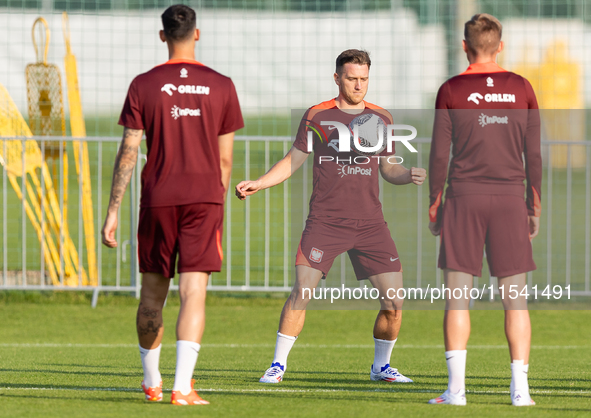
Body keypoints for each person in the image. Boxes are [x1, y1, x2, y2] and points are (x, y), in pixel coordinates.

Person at [236, 49, 426, 384]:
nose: (358, 85)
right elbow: (292, 161)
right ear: (337, 77)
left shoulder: (382, 118)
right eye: (352, 78)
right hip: (325, 222)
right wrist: (259, 183)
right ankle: (277, 365)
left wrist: (406, 173)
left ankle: (381, 367)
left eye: (364, 79)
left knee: (395, 303)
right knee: (302, 292)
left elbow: (388, 168)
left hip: (370, 224)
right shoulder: (318, 115)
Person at [101, 4, 243, 405]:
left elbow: (128, 150)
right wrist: (215, 200)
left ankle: (152, 382)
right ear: (197, 34)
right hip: (204, 199)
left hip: (158, 199)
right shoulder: (221, 85)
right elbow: (226, 160)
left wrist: (113, 210)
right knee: (193, 291)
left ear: (162, 36)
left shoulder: (143, 84)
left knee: (151, 293)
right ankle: (183, 387)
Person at [427, 14, 541, 406]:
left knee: (458, 297)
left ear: (464, 47)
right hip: (510, 199)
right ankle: (520, 391)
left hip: (464, 197)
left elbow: (440, 153)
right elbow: (535, 153)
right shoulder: (522, 87)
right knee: (516, 300)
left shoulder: (451, 89)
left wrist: (434, 202)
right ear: (500, 46)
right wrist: (534, 203)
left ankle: (456, 391)